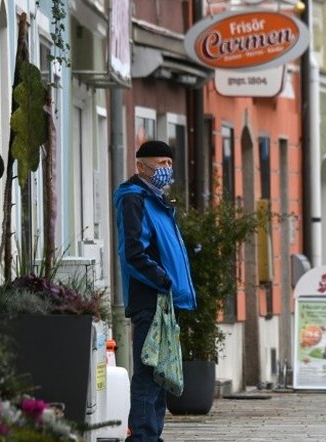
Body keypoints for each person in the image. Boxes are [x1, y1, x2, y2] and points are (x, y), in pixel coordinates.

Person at [113, 140, 196, 442]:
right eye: (161, 164)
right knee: (149, 372)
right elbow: (133, 252)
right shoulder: (134, 199)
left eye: (170, 164)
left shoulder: (158, 201)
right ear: (140, 166)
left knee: (161, 373)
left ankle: (152, 434)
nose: (166, 170)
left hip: (165, 300)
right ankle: (143, 436)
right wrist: (162, 280)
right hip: (150, 298)